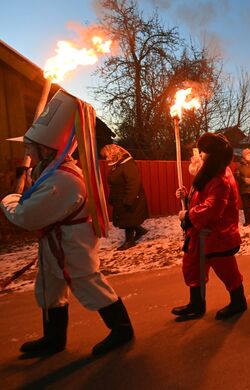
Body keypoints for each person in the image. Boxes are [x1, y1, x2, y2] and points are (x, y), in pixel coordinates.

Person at [1, 91, 134, 357]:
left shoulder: (63, 180)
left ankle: (122, 329)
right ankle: (54, 339)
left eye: (31, 147)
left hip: (71, 244)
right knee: (49, 286)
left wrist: (10, 199)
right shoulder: (51, 172)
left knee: (87, 284)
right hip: (57, 242)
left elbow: (26, 216)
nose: (28, 151)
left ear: (46, 149)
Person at [171, 133, 247, 321]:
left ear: (214, 157)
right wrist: (187, 196)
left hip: (218, 236)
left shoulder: (221, 179)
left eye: (205, 153)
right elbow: (203, 197)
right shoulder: (211, 172)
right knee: (192, 268)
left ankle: (238, 303)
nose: (201, 156)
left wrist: (188, 215)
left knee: (227, 272)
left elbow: (212, 209)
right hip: (200, 234)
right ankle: (196, 305)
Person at [100, 144, 148, 250]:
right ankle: (140, 230)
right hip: (120, 198)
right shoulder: (118, 165)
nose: (107, 159)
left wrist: (129, 200)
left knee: (128, 219)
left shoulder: (128, 165)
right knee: (126, 218)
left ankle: (129, 241)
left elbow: (133, 184)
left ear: (115, 154)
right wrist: (112, 197)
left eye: (108, 156)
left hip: (129, 198)